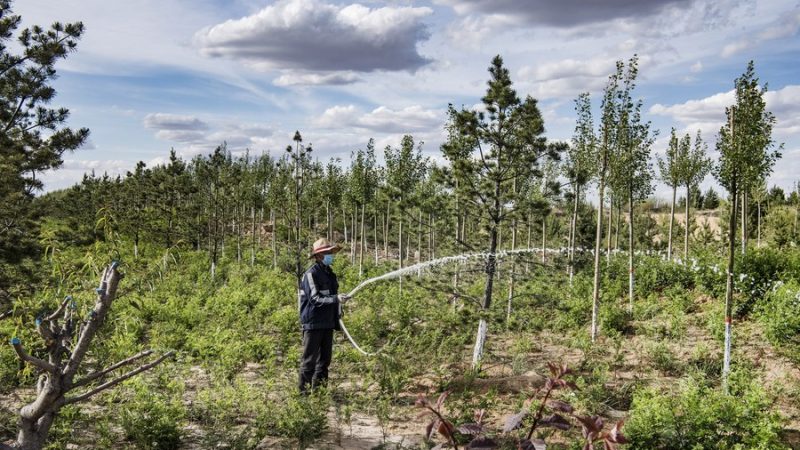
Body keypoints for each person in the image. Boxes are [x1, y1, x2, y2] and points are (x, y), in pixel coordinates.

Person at [298, 238, 350, 393]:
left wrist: (339, 302)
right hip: (313, 323)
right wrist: (336, 298)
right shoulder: (310, 275)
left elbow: (332, 296)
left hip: (328, 322)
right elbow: (314, 299)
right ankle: (303, 395)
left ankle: (319, 393)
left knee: (324, 361)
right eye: (327, 253)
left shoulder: (330, 274)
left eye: (331, 253)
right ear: (318, 256)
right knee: (309, 361)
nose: (330, 256)